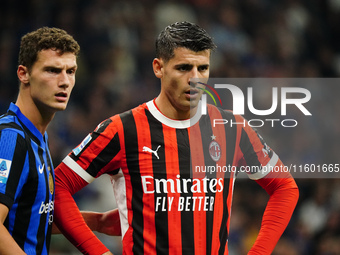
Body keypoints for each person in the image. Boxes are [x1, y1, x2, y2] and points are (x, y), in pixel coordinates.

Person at [53, 21, 299, 255]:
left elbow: (285, 187)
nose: (195, 78)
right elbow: (59, 185)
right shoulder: (121, 129)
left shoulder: (233, 127)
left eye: (202, 68)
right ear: (158, 67)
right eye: (183, 68)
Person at [0, 27, 119, 255]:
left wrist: (96, 222)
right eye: (53, 70)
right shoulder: (11, 137)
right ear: (23, 73)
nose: (64, 81)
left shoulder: (37, 136)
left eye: (71, 71)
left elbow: (30, 217)